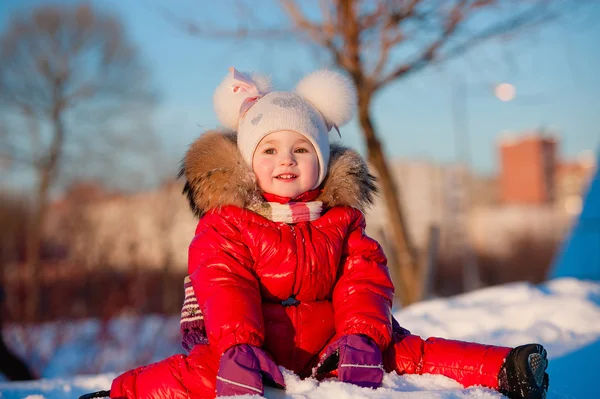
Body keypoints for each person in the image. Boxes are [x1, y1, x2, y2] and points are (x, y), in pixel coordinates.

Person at [94, 68, 548, 399]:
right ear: (248, 162)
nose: (285, 160)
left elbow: (365, 277)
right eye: (269, 149)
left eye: (300, 149)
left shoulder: (342, 220)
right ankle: (117, 394)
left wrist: (362, 336)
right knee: (193, 373)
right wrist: (237, 345)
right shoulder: (228, 223)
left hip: (337, 344)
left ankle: (506, 368)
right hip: (256, 347)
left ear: (323, 160)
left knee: (409, 350)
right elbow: (222, 282)